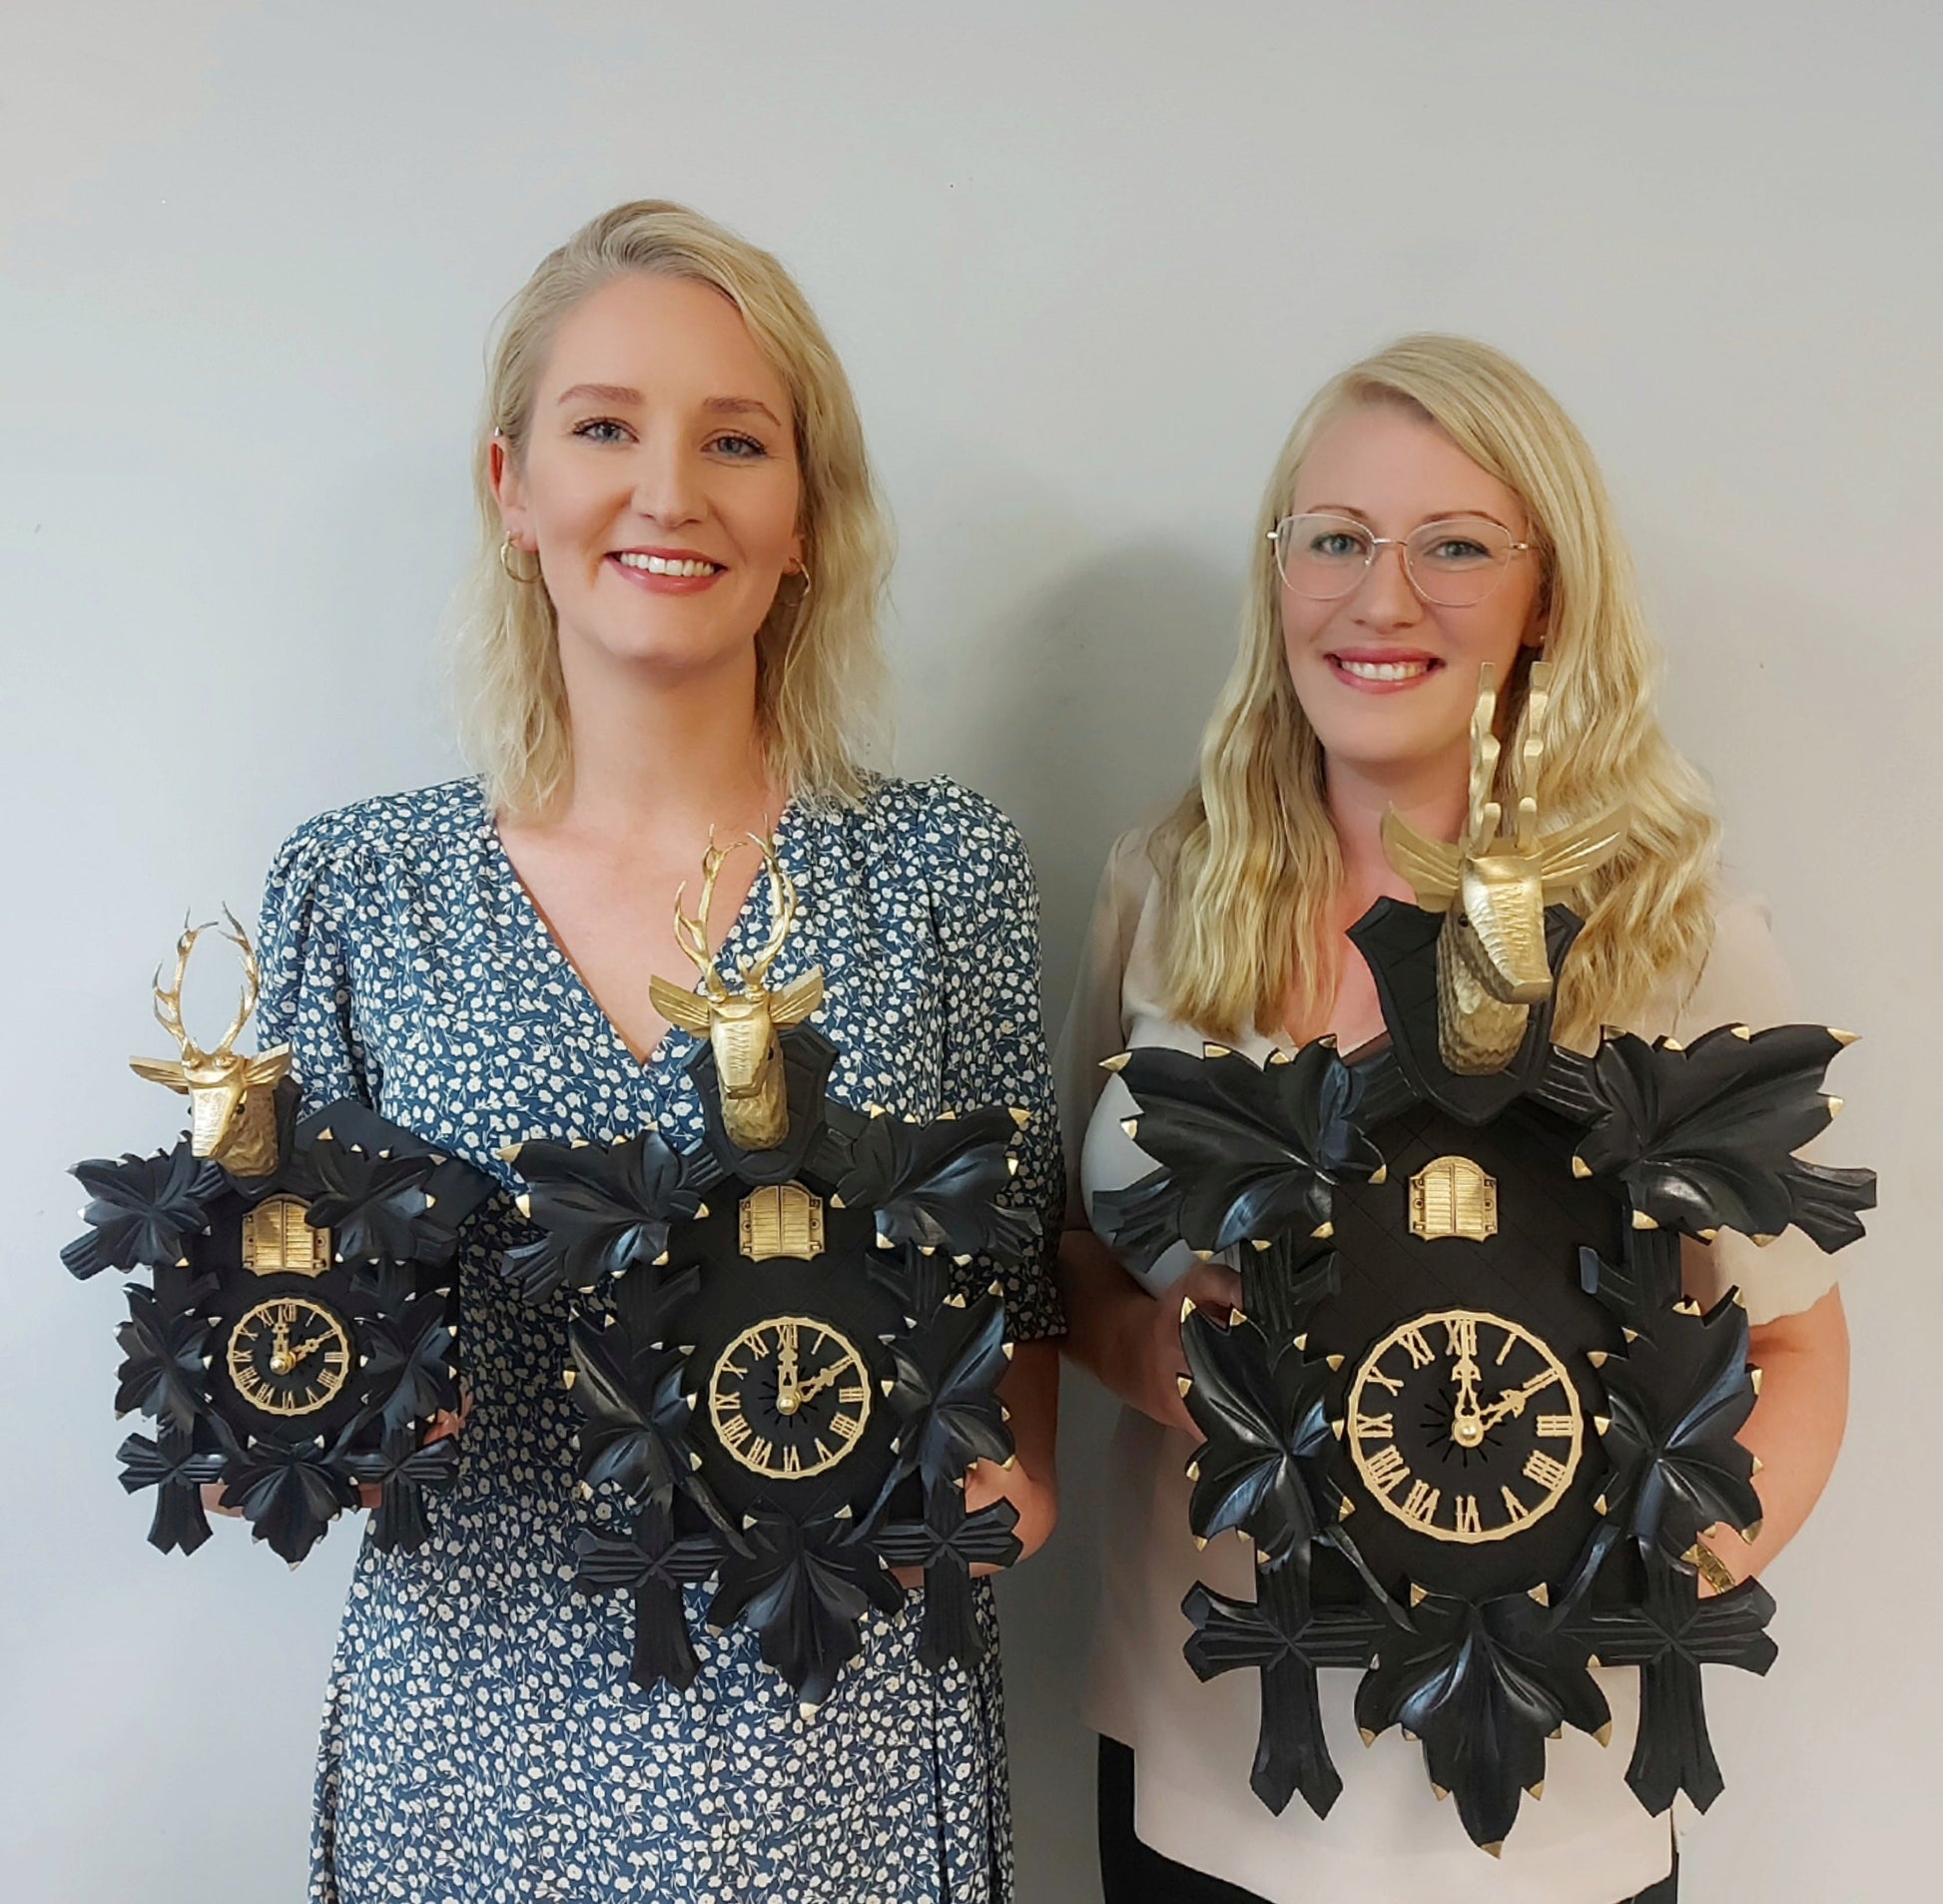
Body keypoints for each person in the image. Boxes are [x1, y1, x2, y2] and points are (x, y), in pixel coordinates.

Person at [256, 200, 1063, 1904]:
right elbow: (285, 1298)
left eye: (736, 441)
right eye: (605, 428)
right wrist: (312, 1429)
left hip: (837, 1766)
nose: (668, 490)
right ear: (511, 488)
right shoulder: (355, 889)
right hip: (472, 1760)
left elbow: (1016, 1282)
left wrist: (1013, 1479)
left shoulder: (944, 871)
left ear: (805, 517)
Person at [1054, 334, 1851, 1904]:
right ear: (1278, 571)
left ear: (1547, 593)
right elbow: (1066, 1254)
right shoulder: (1170, 886)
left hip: (1543, 1814)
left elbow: (1793, 1348)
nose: (1380, 598)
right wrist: (1151, 1355)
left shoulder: (1673, 933)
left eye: (1456, 547)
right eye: (1334, 539)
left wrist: (1641, 1587)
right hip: (1206, 1755)